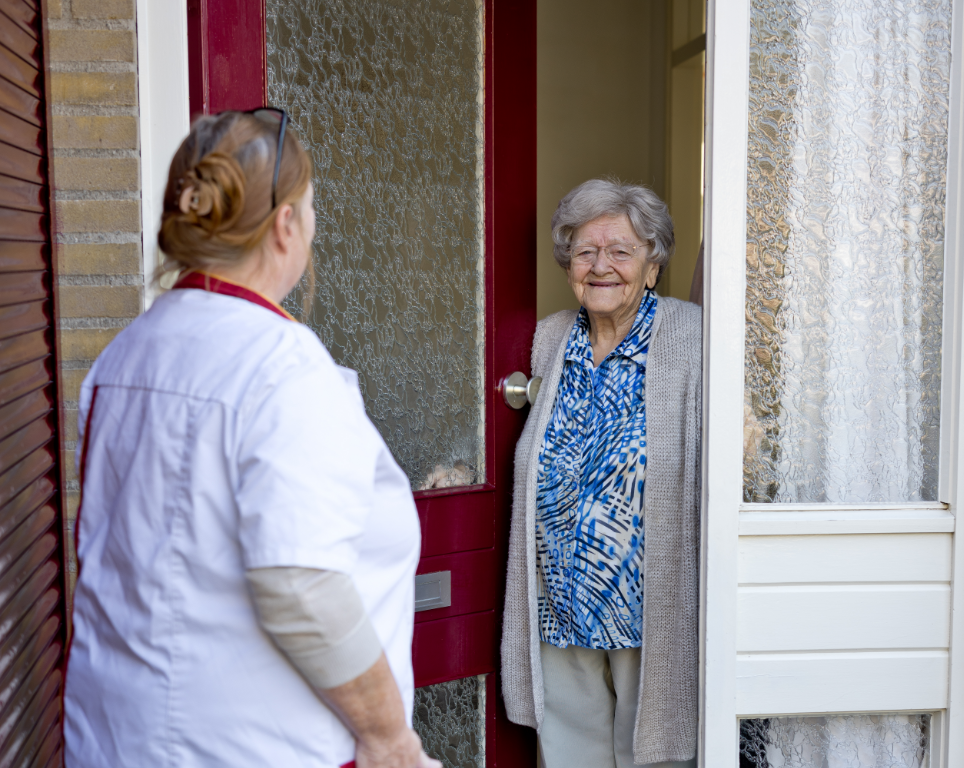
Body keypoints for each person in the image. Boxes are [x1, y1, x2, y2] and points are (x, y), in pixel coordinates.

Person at [63, 110, 440, 768]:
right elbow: (301, 585)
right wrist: (389, 739)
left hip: (118, 738)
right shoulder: (282, 368)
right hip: (253, 749)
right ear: (286, 224)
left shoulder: (124, 358)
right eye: (310, 206)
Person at [501, 179, 701, 768]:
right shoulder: (551, 338)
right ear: (568, 266)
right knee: (567, 756)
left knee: (657, 754)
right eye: (585, 252)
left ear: (652, 265)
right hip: (562, 599)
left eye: (621, 250)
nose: (601, 266)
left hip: (650, 603)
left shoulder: (691, 338)